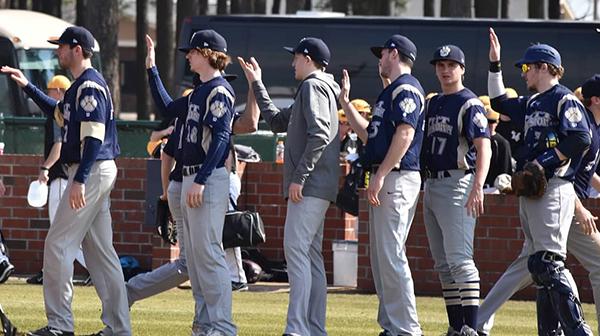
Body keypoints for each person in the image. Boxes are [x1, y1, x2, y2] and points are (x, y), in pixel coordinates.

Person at [1, 26, 130, 336]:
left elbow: (94, 139)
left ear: (77, 49)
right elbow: (59, 113)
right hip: (94, 169)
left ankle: (60, 326)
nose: (58, 51)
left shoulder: (89, 86)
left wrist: (79, 180)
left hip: (91, 168)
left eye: (61, 46)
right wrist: (27, 86)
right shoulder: (79, 87)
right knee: (101, 256)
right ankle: (118, 329)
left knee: (58, 245)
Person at [485, 27, 593, 335]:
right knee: (538, 265)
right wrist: (495, 64)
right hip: (534, 190)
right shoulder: (532, 102)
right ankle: (551, 332)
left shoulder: (563, 99)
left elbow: (580, 138)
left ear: (543, 67)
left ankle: (577, 330)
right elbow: (498, 103)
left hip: (555, 186)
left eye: (526, 67)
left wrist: (543, 162)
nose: (523, 73)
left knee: (547, 262)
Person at [238, 36, 340, 336]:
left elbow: (320, 134)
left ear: (307, 58)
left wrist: (299, 177)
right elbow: (276, 122)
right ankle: (313, 328)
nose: (292, 62)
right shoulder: (317, 88)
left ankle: (297, 329)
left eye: (295, 57)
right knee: (310, 257)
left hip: (309, 186)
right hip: (319, 186)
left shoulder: (312, 85)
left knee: (296, 251)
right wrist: (256, 83)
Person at [338, 34, 425, 336]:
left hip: (397, 176)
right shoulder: (390, 93)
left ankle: (407, 329)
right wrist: (346, 104)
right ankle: (392, 326)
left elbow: (405, 135)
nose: (379, 60)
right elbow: (369, 136)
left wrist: (381, 174)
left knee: (391, 255)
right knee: (381, 258)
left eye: (382, 54)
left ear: (394, 53)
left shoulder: (406, 89)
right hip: (389, 175)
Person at [422, 44, 491, 336]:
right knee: (444, 264)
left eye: (451, 64)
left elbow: (483, 146)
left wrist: (478, 185)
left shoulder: (469, 102)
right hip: (432, 183)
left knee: (461, 261)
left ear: (462, 68)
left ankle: (472, 328)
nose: (445, 69)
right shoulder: (434, 102)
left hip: (457, 182)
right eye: (440, 64)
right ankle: (456, 326)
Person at [27, 75, 90, 285]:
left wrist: (45, 167)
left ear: (60, 91)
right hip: (65, 177)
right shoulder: (64, 112)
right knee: (62, 230)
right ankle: (51, 271)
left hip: (62, 177)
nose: (49, 93)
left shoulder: (58, 113)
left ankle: (89, 269)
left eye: (52, 89)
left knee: (60, 230)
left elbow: (58, 145)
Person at [479, 96, 512, 190]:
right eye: (486, 121)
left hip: (493, 189)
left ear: (497, 122)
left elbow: (505, 173)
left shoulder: (501, 143)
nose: (488, 125)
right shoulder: (474, 139)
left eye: (492, 122)